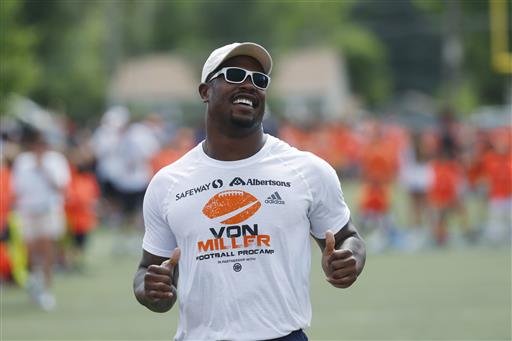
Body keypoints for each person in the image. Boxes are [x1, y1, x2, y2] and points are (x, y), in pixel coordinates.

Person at [133, 42, 366, 340]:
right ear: (205, 92)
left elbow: (348, 238)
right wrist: (152, 290)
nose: (248, 84)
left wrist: (349, 261)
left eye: (259, 80)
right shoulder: (169, 182)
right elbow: (147, 271)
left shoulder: (307, 170)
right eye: (233, 74)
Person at [12, 128, 70, 310]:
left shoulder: (56, 161)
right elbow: (17, 188)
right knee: (31, 252)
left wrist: (43, 168)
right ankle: (36, 284)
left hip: (49, 210)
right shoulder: (22, 162)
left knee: (46, 251)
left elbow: (60, 186)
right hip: (28, 211)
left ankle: (46, 290)